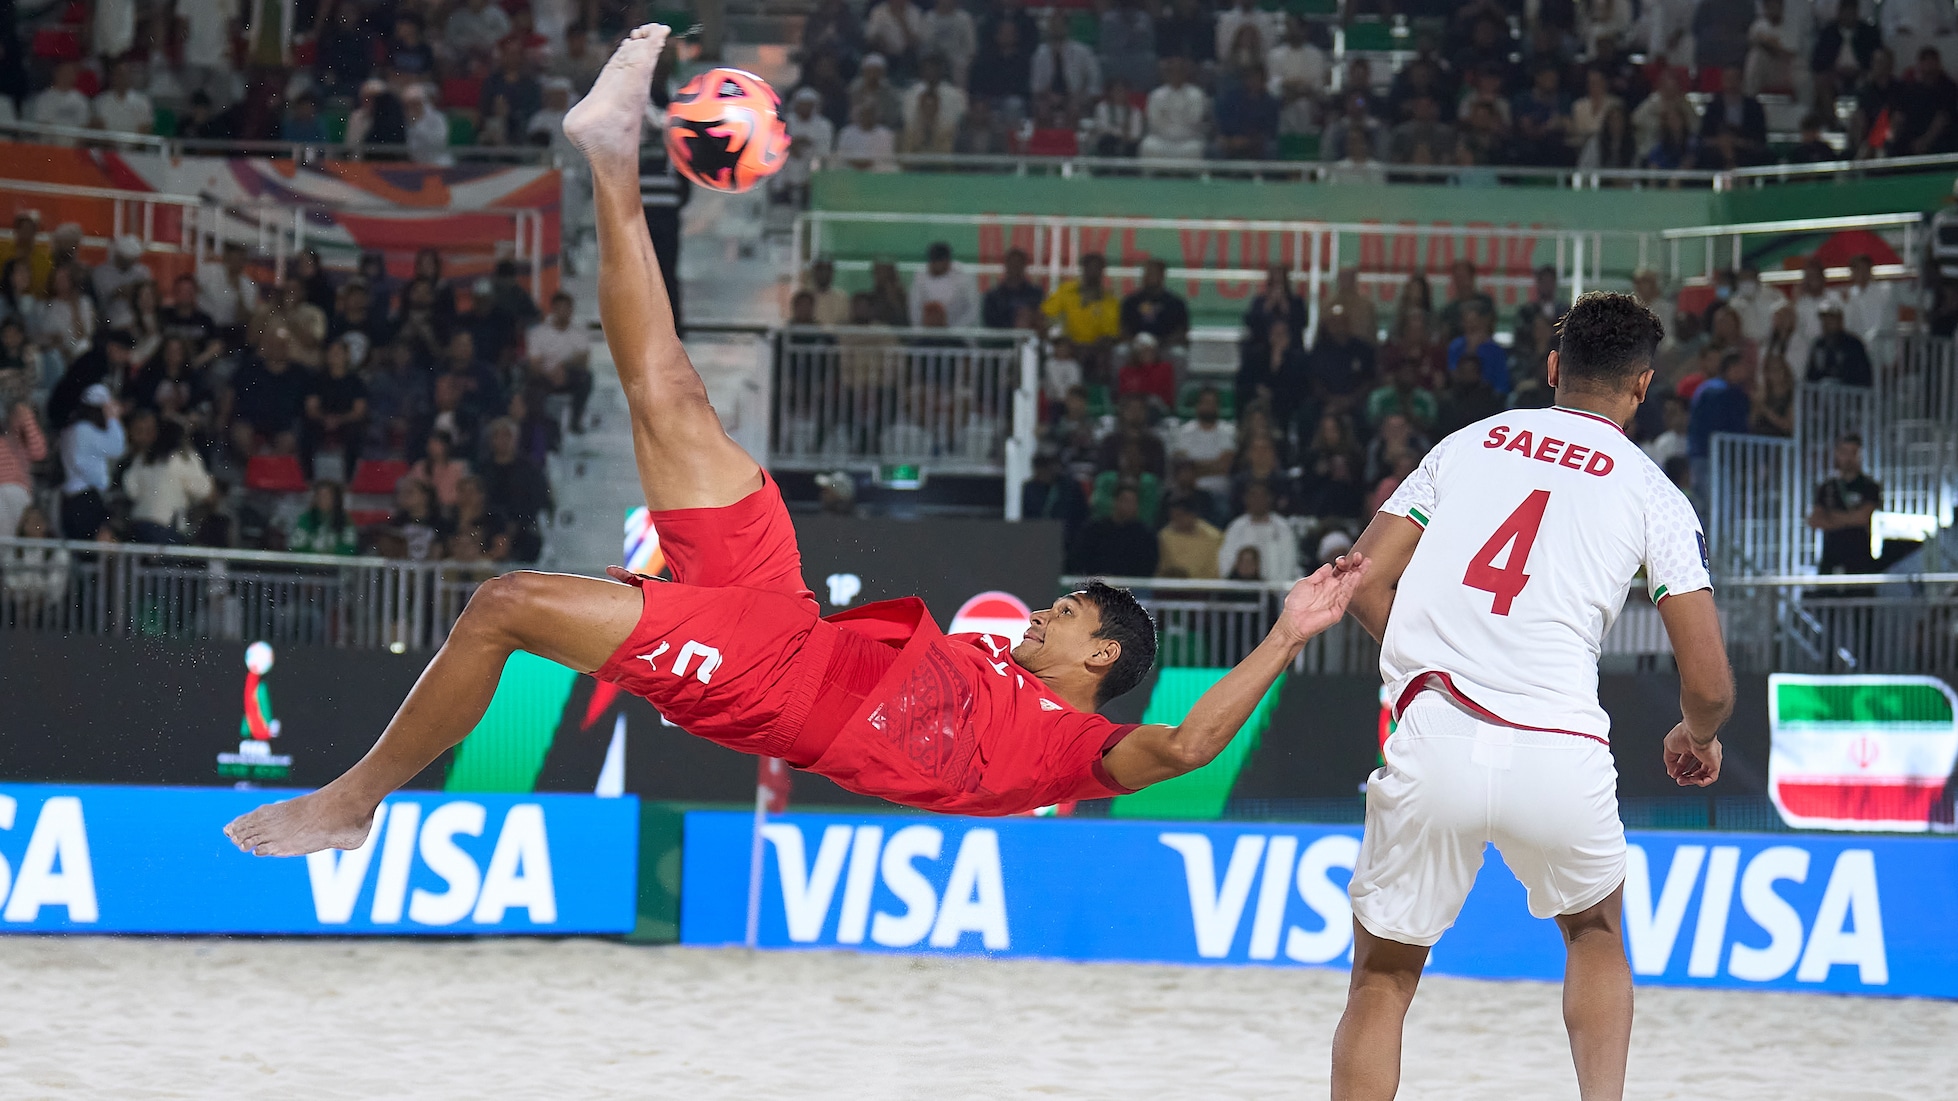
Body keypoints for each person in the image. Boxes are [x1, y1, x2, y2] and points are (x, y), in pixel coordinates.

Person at [225, 25, 1368, 856]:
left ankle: (354, 801)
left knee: (507, 604)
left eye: (1066, 615)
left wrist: (1288, 629)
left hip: (768, 685)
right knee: (669, 397)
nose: (1044, 611)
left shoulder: (1073, 757)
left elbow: (1187, 749)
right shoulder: (1001, 675)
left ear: (1102, 660)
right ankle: (613, 153)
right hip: (784, 614)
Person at [1338, 292, 1731, 1101]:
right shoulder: (1653, 491)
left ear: (1553, 368)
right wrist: (1697, 733)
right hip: (1561, 750)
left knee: (1382, 976)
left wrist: (1424, 664)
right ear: (1643, 386)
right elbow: (1712, 684)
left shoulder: (1465, 445)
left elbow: (1361, 577)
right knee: (1593, 931)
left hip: (1435, 734)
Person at [122, 420, 215, 544]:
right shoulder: (185, 459)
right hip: (166, 528)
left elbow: (131, 490)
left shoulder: (144, 457)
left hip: (139, 522)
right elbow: (202, 490)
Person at [1809, 433, 1882, 575]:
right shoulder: (1827, 487)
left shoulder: (1869, 487)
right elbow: (1815, 520)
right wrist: (1851, 518)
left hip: (1859, 560)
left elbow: (1862, 518)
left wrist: (1832, 517)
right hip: (1831, 558)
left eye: (1853, 453)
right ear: (1837, 454)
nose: (1848, 458)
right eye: (1844, 453)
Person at [59, 384, 125, 540]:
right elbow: (117, 447)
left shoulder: (72, 430)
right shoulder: (84, 430)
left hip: (73, 499)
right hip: (85, 499)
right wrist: (113, 419)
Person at [525, 291, 594, 431]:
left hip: (568, 375)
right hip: (545, 375)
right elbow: (534, 362)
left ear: (571, 310)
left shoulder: (579, 333)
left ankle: (575, 421)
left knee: (586, 377)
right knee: (532, 385)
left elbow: (584, 359)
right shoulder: (539, 333)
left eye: (566, 308)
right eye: (559, 308)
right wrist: (550, 373)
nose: (563, 312)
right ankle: (541, 428)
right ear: (554, 309)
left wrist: (563, 367)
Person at [1217, 480, 1298, 582]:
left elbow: (1289, 564)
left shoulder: (1283, 528)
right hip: (1241, 590)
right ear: (1246, 499)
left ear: (1270, 498)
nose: (1258, 500)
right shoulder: (1236, 527)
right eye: (1253, 495)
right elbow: (1225, 561)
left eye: (1262, 496)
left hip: (1276, 591)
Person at [907, 242, 980, 329]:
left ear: (947, 262)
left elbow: (973, 311)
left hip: (960, 333)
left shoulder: (964, 276)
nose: (934, 265)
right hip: (927, 333)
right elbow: (915, 309)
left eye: (938, 262)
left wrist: (954, 331)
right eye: (932, 262)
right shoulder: (920, 276)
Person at [1120, 259, 1191, 346]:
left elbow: (1182, 331)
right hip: (1136, 346)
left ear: (1161, 276)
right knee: (1121, 352)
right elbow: (1124, 329)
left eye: (1153, 274)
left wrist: (1161, 343)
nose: (1148, 277)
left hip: (1166, 345)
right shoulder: (1131, 301)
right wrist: (1136, 343)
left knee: (1178, 354)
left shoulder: (1175, 302)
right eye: (1147, 273)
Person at [1806, 301, 1874, 387]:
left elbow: (1863, 375)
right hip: (1822, 397)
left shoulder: (1853, 344)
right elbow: (1811, 376)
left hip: (1848, 396)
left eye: (1831, 318)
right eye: (1824, 319)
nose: (1827, 322)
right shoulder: (1818, 345)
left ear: (1840, 320)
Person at [1158, 495, 1224, 579]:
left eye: (1179, 516)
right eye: (1172, 516)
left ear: (1192, 515)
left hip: (1203, 588)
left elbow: (1216, 571)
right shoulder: (1164, 536)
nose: (1175, 520)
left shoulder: (1213, 537)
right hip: (1170, 587)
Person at [289, 480, 362, 555]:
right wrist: (316, 557)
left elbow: (350, 547)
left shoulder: (346, 520)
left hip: (337, 565)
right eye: (320, 496)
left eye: (327, 496)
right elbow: (297, 546)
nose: (323, 499)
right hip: (309, 564)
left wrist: (331, 556)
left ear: (336, 499)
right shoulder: (305, 519)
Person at [982, 248, 1046, 330]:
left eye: (1018, 264)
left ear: (1024, 266)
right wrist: (1015, 324)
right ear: (1006, 265)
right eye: (1012, 264)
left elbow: (1042, 319)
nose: (1015, 267)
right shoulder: (992, 297)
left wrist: (1030, 320)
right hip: (1001, 341)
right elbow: (990, 322)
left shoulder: (1036, 294)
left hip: (1031, 339)